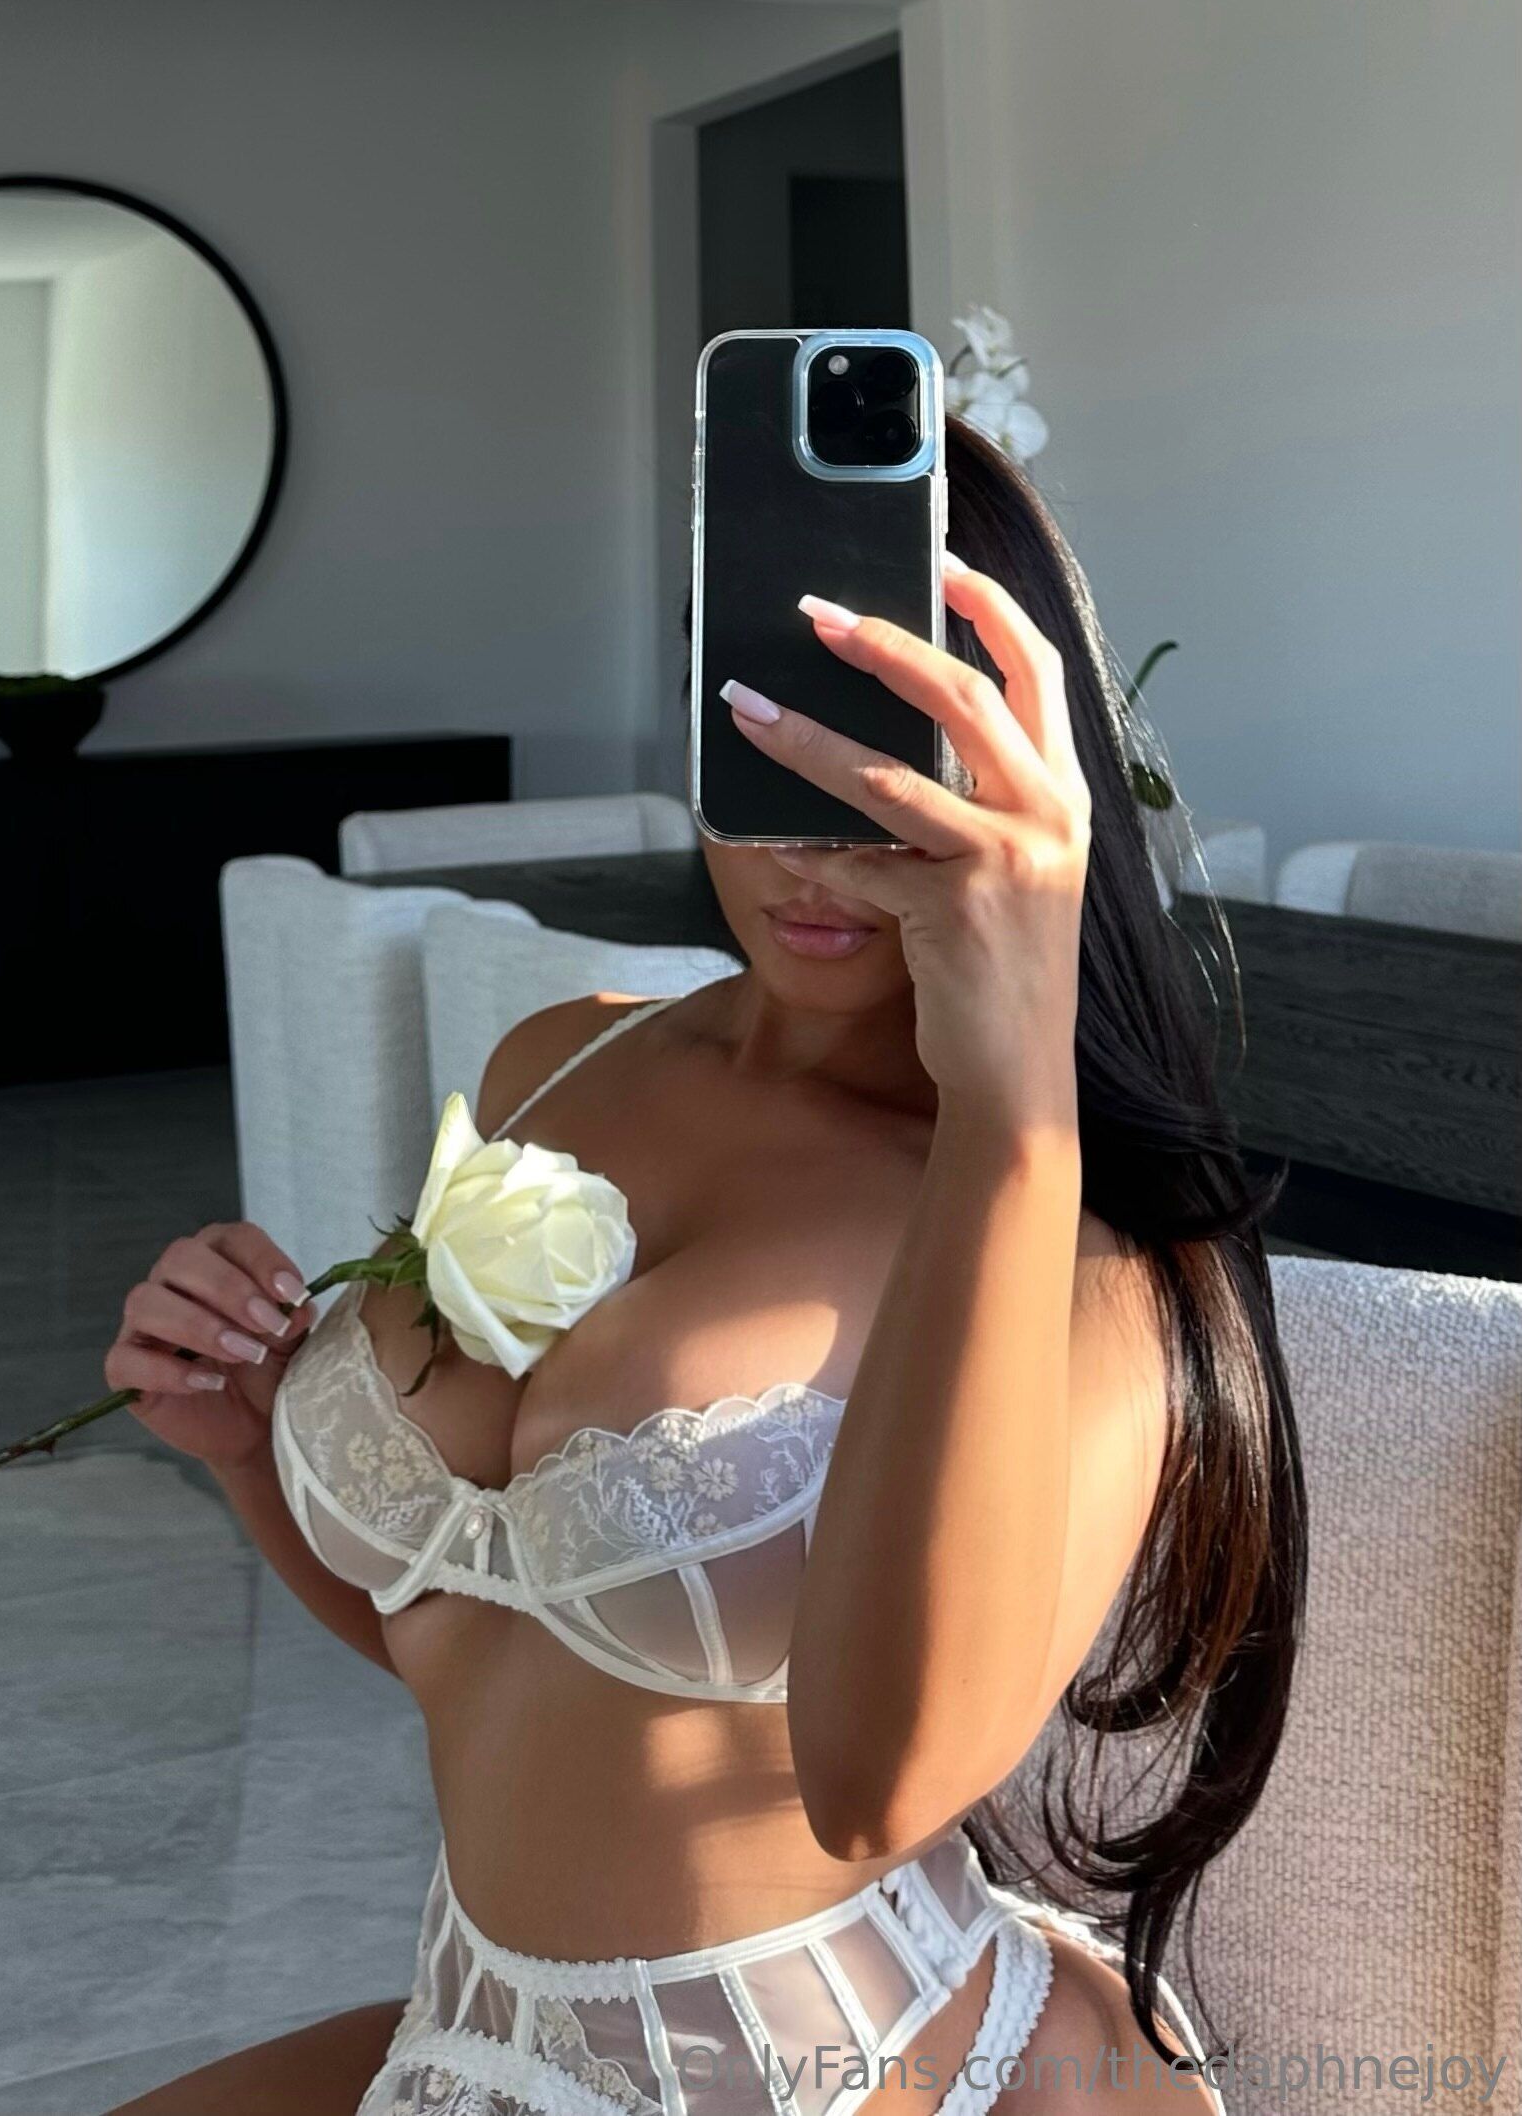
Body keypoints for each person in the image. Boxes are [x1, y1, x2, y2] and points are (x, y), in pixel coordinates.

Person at [103, 418, 1304, 2115]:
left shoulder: (1081, 1245)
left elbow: (880, 1788)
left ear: (1015, 781)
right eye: (770, 756)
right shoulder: (559, 1058)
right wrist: (248, 1448)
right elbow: (487, 1638)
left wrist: (1008, 1103)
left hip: (850, 2066)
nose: (816, 854)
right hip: (474, 2031)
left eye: (885, 779)